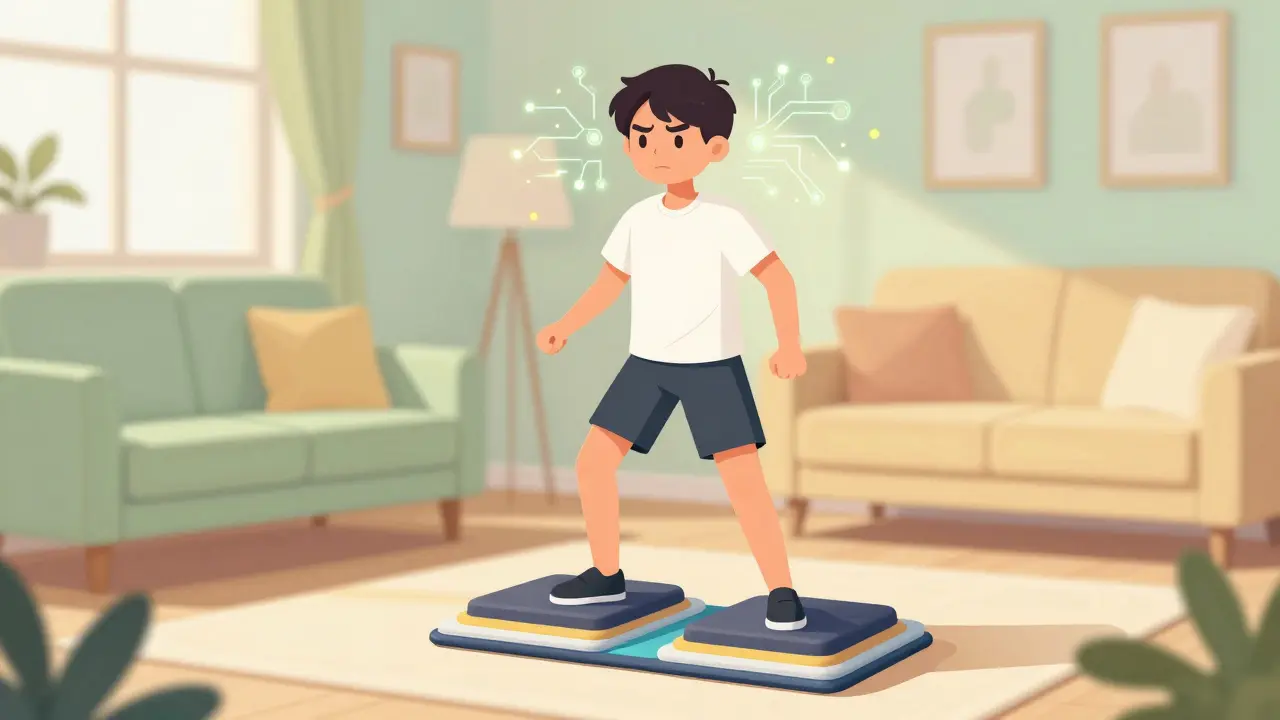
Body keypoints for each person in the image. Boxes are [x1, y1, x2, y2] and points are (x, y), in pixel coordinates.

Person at [535, 64, 809, 631]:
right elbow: (610, 282)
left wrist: (790, 346)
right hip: (648, 366)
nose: (656, 150)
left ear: (714, 148)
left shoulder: (725, 220)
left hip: (710, 368)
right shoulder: (637, 219)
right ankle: (606, 574)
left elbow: (776, 278)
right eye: (642, 138)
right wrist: (568, 323)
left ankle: (781, 589)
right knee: (593, 463)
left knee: (743, 484)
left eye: (675, 137)